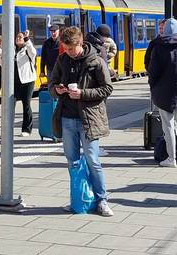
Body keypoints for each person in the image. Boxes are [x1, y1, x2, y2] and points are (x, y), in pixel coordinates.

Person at [48, 27, 115, 217]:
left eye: (71, 48)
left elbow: (107, 89)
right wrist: (57, 90)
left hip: (88, 118)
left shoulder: (96, 61)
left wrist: (83, 94)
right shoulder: (62, 60)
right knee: (73, 162)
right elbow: (52, 84)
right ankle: (78, 199)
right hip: (67, 118)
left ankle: (102, 200)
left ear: (80, 43)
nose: (68, 52)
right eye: (65, 48)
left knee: (93, 160)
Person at [146, 19, 177, 167]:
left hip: (163, 92)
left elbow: (153, 71)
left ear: (164, 30)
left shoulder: (157, 46)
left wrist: (153, 85)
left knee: (167, 126)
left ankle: (171, 159)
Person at [12, 31, 38, 136]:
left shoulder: (28, 50)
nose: (18, 38)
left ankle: (26, 129)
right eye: (17, 37)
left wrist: (27, 39)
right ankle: (8, 128)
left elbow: (33, 51)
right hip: (14, 82)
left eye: (20, 37)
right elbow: (0, 53)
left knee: (26, 104)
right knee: (10, 105)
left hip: (27, 81)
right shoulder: (11, 50)